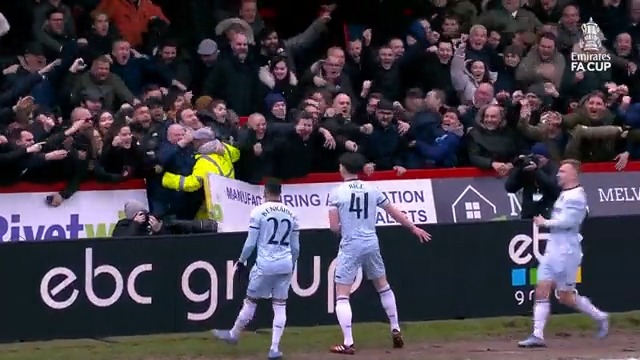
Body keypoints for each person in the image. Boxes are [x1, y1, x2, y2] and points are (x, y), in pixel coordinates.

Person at [327, 152, 431, 355]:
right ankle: (395, 327)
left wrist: (343, 228)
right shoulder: (372, 189)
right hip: (371, 242)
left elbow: (333, 226)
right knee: (383, 286)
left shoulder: (337, 193)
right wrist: (413, 227)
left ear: (343, 168)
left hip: (350, 244)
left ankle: (348, 342)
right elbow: (393, 211)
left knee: (342, 295)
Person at [518, 159, 609, 348]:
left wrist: (545, 223)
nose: (558, 174)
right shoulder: (564, 194)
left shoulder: (577, 196)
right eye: (559, 171)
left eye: (563, 172)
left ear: (573, 174)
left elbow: (569, 222)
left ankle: (600, 317)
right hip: (553, 248)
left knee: (565, 297)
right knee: (541, 288)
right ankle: (537, 335)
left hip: (568, 250)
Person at [212, 179, 299, 360]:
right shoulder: (292, 214)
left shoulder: (258, 212)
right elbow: (296, 247)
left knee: (251, 301)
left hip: (265, 264)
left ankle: (234, 334)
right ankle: (274, 348)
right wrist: (292, 263)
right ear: (280, 193)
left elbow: (250, 242)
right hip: (285, 263)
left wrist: (242, 260)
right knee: (280, 305)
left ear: (265, 192)